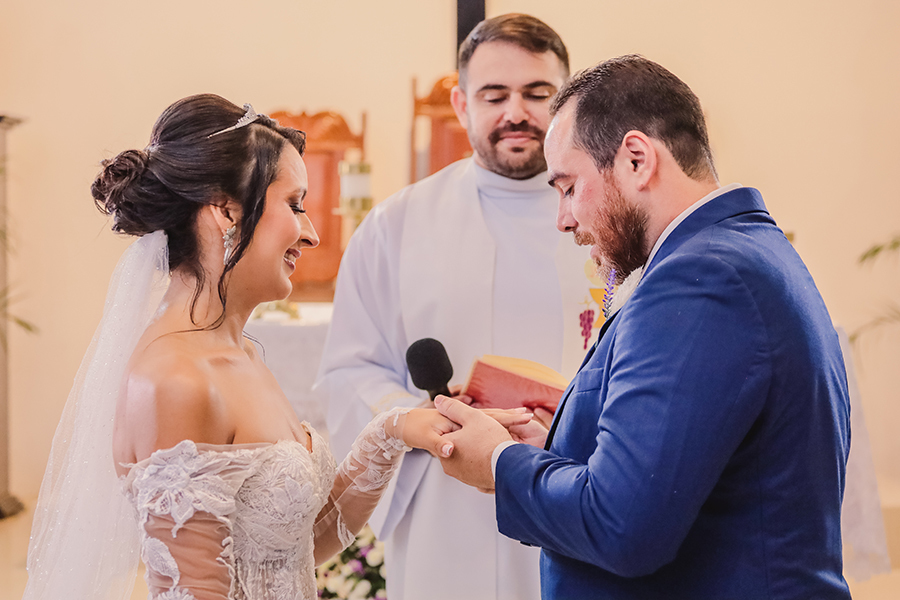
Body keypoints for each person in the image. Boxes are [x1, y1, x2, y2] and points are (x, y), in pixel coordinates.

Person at [22, 94, 530, 600]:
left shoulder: (242, 354)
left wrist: (398, 429)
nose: (310, 233)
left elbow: (297, 546)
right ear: (225, 210)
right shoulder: (174, 381)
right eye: (295, 204)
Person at [434, 55, 852, 599]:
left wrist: (500, 461)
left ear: (635, 158)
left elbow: (622, 528)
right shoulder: (743, 250)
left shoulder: (701, 277)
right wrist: (556, 445)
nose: (562, 218)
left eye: (567, 187)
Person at [315, 14, 598, 600]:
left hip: (578, 484)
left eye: (537, 93)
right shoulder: (396, 225)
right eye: (494, 95)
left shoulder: (610, 216)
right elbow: (350, 370)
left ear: (567, 102)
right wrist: (435, 424)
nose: (515, 112)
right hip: (443, 493)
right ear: (461, 103)